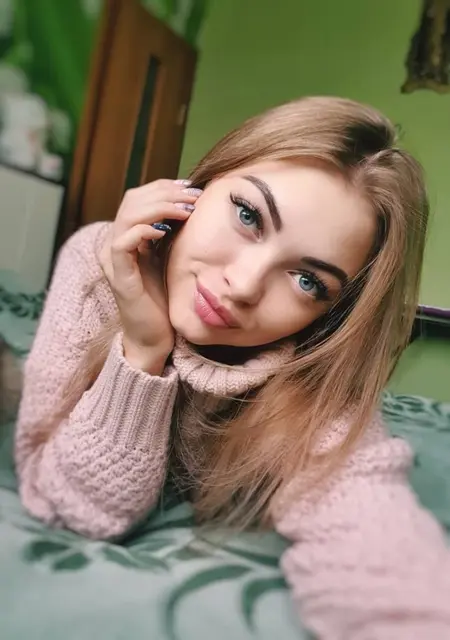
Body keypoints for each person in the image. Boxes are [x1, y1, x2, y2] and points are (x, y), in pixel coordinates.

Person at [15, 97, 450, 638]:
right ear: (197, 188)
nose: (243, 286)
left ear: (330, 314)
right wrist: (144, 350)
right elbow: (74, 507)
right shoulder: (98, 262)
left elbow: (380, 556)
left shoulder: (312, 378)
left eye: (308, 281)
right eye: (248, 215)